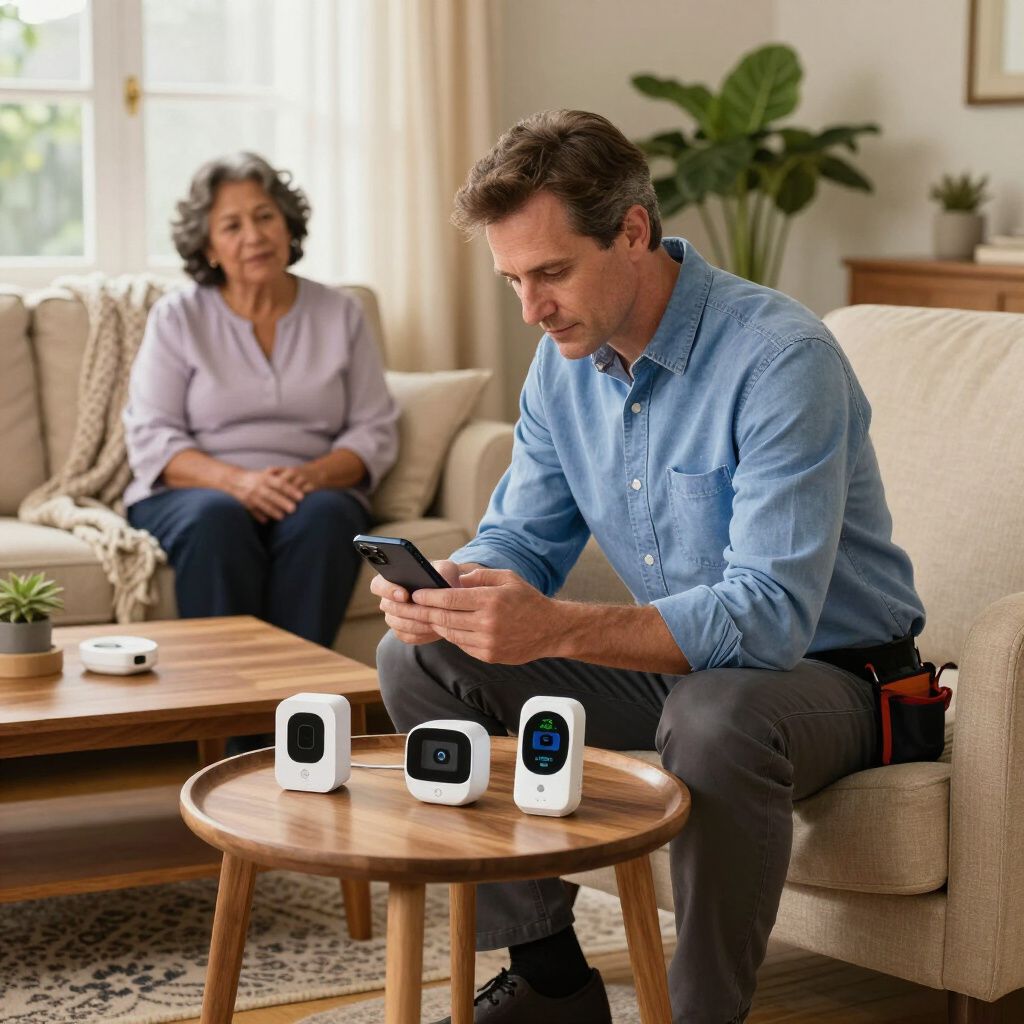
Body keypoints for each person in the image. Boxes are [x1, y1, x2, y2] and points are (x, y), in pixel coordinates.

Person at [373, 110, 925, 1024]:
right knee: (418, 656)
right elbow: (521, 537)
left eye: (551, 273)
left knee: (714, 715)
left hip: (837, 678)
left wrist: (555, 627)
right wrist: (453, 588)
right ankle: (552, 981)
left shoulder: (781, 359)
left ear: (633, 231)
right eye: (514, 280)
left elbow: (768, 618)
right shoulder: (561, 366)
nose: (531, 309)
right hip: (682, 670)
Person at [125, 152, 398, 658]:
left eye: (265, 216)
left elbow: (374, 428)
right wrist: (238, 483)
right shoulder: (177, 317)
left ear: (287, 224)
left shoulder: (341, 312)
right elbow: (151, 433)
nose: (254, 236)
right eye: (232, 225)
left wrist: (309, 477)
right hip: (196, 491)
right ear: (208, 246)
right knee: (218, 518)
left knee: (328, 517)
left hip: (309, 488)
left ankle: (295, 694)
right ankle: (227, 703)